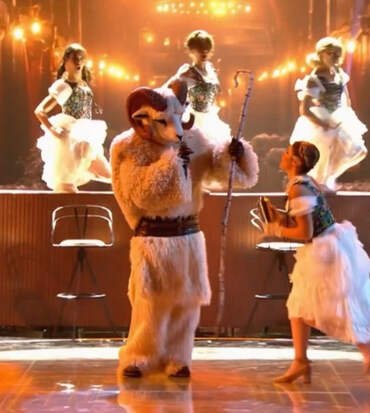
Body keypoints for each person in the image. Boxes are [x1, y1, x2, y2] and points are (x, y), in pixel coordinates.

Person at [111, 81, 258, 378]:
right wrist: (173, 161)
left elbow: (219, 170)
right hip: (153, 235)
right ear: (144, 119)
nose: (176, 129)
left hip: (188, 234)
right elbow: (141, 193)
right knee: (149, 301)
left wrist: (233, 153)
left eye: (178, 118)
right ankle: (140, 355)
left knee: (187, 301)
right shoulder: (128, 146)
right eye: (165, 121)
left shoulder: (194, 138)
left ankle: (177, 358)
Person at [262, 141, 370, 383]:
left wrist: (276, 229)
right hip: (329, 244)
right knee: (299, 307)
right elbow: (305, 219)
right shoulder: (305, 182)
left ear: (295, 161)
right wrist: (280, 217)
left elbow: (305, 232)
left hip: (323, 252)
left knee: (320, 309)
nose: (283, 155)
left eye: (287, 153)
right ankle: (301, 361)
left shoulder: (299, 188)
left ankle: (365, 343)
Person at [290, 37, 368, 191]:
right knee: (323, 159)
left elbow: (346, 99)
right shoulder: (315, 78)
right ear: (321, 54)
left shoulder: (339, 74)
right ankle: (322, 184)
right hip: (321, 119)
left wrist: (346, 117)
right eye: (331, 53)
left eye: (338, 54)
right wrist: (324, 123)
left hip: (339, 117)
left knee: (359, 150)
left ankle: (328, 179)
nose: (335, 57)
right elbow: (305, 109)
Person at [34, 43, 111, 193]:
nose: (78, 61)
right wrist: (53, 129)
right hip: (70, 140)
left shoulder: (83, 85)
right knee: (67, 187)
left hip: (86, 136)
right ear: (65, 61)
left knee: (108, 175)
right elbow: (40, 111)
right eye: (74, 58)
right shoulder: (63, 86)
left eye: (81, 58)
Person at [166, 30, 231, 147]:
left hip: (211, 120)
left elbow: (217, 93)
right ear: (191, 51)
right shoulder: (187, 73)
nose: (204, 52)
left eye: (206, 49)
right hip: (194, 122)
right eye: (200, 49)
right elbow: (167, 90)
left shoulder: (211, 71)